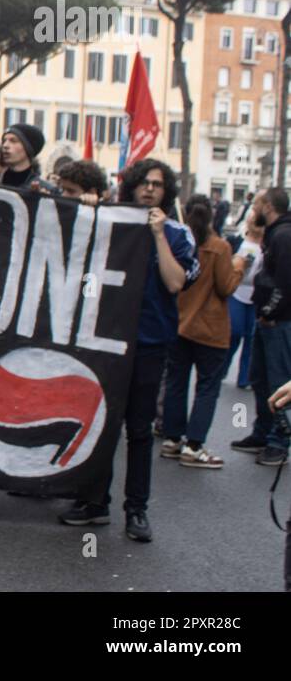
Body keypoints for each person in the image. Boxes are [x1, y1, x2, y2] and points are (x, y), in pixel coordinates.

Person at [60, 159, 199, 541]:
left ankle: (136, 509)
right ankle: (94, 502)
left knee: (138, 431)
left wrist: (156, 236)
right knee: (101, 425)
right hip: (105, 341)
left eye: (158, 184)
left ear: (166, 192)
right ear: (132, 186)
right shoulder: (112, 222)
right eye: (144, 182)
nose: (151, 188)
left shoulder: (177, 234)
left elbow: (175, 284)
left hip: (149, 344)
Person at [160, 195, 242, 468]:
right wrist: (239, 269)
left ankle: (172, 439)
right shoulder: (219, 247)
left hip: (180, 322)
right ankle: (194, 446)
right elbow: (225, 287)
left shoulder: (180, 243)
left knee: (176, 382)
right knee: (207, 387)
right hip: (210, 327)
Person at [232, 189, 291, 467]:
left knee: (279, 382)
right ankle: (263, 432)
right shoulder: (276, 233)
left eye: (255, 204)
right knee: (260, 378)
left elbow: (285, 282)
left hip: (279, 322)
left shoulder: (284, 235)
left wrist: (269, 312)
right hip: (268, 319)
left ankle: (279, 441)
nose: (251, 209)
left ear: (267, 206)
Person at [226, 200, 264, 390]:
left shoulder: (268, 244)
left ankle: (244, 377)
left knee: (251, 336)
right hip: (236, 292)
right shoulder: (237, 241)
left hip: (256, 295)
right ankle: (223, 366)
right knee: (235, 331)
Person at [0, 123, 55, 192]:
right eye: (4, 141)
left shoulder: (47, 190)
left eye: (13, 141)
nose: (5, 145)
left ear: (28, 148)